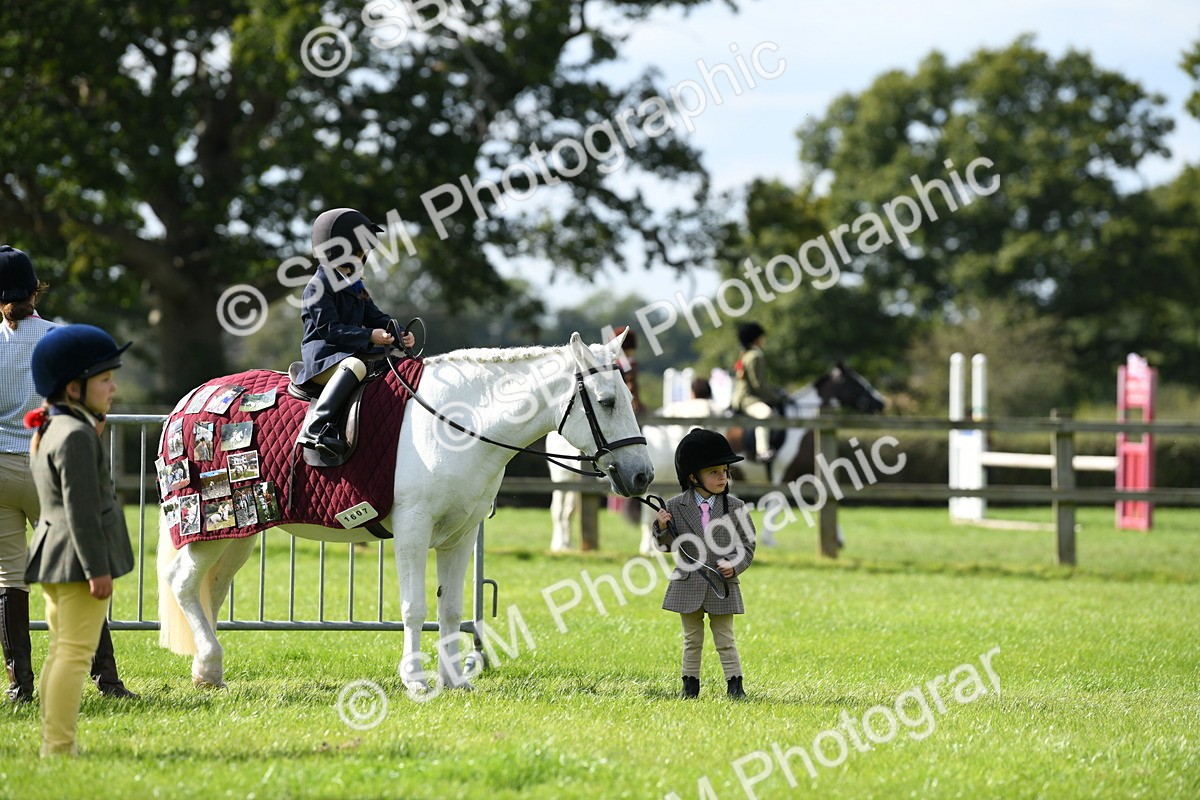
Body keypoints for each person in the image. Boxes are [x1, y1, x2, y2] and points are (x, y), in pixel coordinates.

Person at [0, 247, 135, 705]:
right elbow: (89, 413)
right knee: (81, 569)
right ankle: (107, 679)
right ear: (36, 288)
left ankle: (20, 685)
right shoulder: (60, 340)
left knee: (9, 579)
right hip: (48, 465)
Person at [25, 324, 136, 756]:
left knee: (61, 651)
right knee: (73, 655)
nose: (113, 387)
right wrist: (97, 570)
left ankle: (56, 743)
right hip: (78, 561)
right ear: (74, 387)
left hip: (56, 557)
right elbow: (81, 512)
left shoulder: (57, 426)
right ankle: (58, 747)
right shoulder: (72, 435)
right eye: (105, 378)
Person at [295, 208, 415, 458]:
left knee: (395, 364)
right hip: (324, 359)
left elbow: (376, 315)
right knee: (355, 366)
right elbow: (330, 330)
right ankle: (315, 428)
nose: (365, 256)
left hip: (349, 353)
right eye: (362, 250)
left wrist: (400, 332)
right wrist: (369, 336)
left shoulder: (354, 283)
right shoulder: (318, 286)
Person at [651, 429, 756, 700]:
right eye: (714, 472)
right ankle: (690, 686)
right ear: (692, 477)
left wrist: (735, 565)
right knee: (691, 640)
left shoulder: (735, 507)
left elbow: (748, 545)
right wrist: (661, 527)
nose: (723, 477)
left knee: (726, 639)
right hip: (688, 584)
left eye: (725, 471)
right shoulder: (675, 506)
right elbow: (665, 546)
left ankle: (735, 686)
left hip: (723, 584)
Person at [731, 322, 783, 462]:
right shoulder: (755, 355)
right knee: (765, 413)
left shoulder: (745, 353)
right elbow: (758, 385)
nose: (763, 340)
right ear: (756, 338)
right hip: (747, 399)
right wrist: (776, 397)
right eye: (762, 337)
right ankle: (762, 450)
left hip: (742, 397)